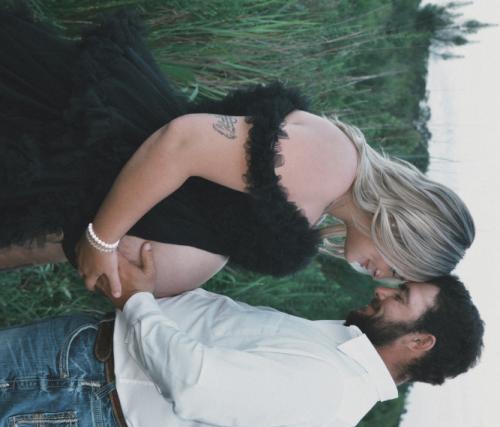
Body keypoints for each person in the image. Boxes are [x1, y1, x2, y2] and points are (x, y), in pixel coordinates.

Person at [0, 6, 475, 298]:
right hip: (83, 137)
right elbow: (184, 141)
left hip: (80, 186)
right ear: (401, 229)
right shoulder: (332, 164)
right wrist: (103, 239)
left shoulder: (326, 198)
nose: (383, 277)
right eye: (398, 267)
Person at [0, 242, 484, 427]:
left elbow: (196, 385)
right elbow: (222, 330)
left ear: (419, 342)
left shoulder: (331, 388)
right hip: (88, 374)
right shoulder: (339, 358)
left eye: (402, 297)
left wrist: (139, 302)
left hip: (83, 385)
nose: (382, 291)